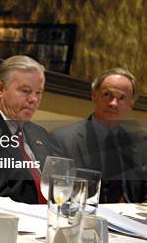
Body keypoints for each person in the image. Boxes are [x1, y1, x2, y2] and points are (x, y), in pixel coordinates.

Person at [0, 55, 61, 204]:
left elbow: (55, 184)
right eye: (25, 91)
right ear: (0, 89)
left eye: (38, 93)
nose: (34, 100)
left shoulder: (40, 133)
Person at [52, 68, 146, 203]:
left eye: (122, 98)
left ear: (131, 105)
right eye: (107, 94)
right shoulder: (62, 140)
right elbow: (57, 194)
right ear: (94, 95)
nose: (113, 103)